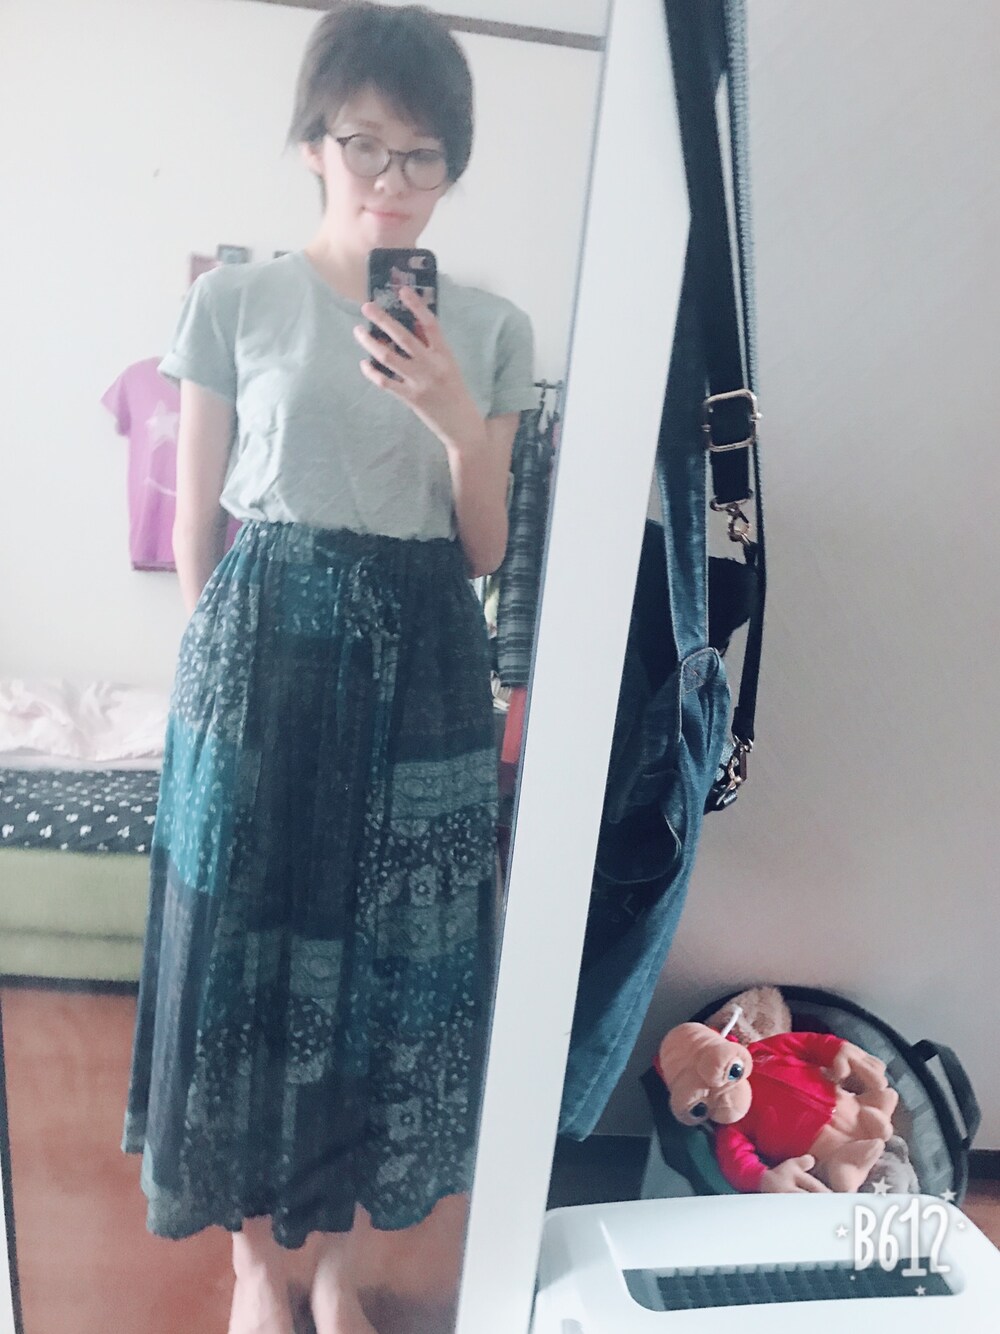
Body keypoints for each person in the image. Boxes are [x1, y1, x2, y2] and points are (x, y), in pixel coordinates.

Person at [121, 4, 535, 1330]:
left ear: (453, 166)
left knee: (395, 965)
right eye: (366, 144)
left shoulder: (492, 329)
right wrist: (213, 682)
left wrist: (456, 421)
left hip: (426, 656)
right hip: (261, 643)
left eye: (424, 155)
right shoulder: (233, 302)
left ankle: (345, 1263)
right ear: (314, 144)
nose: (393, 180)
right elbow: (195, 526)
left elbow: (485, 546)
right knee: (240, 948)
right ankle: (256, 1258)